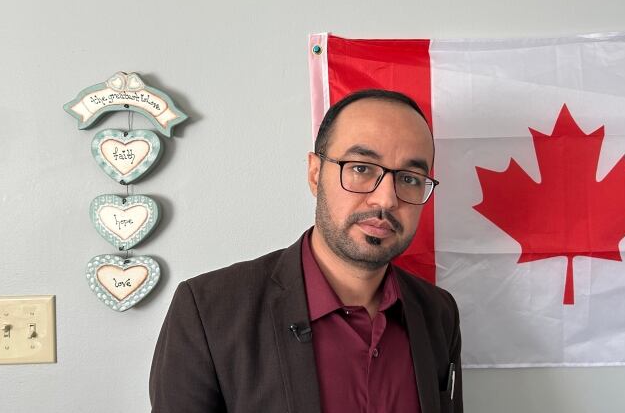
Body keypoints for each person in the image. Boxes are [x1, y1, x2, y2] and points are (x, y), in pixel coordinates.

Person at [149, 89, 462, 413]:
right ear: (315, 174)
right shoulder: (208, 310)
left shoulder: (439, 314)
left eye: (410, 178)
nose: (386, 200)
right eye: (361, 168)